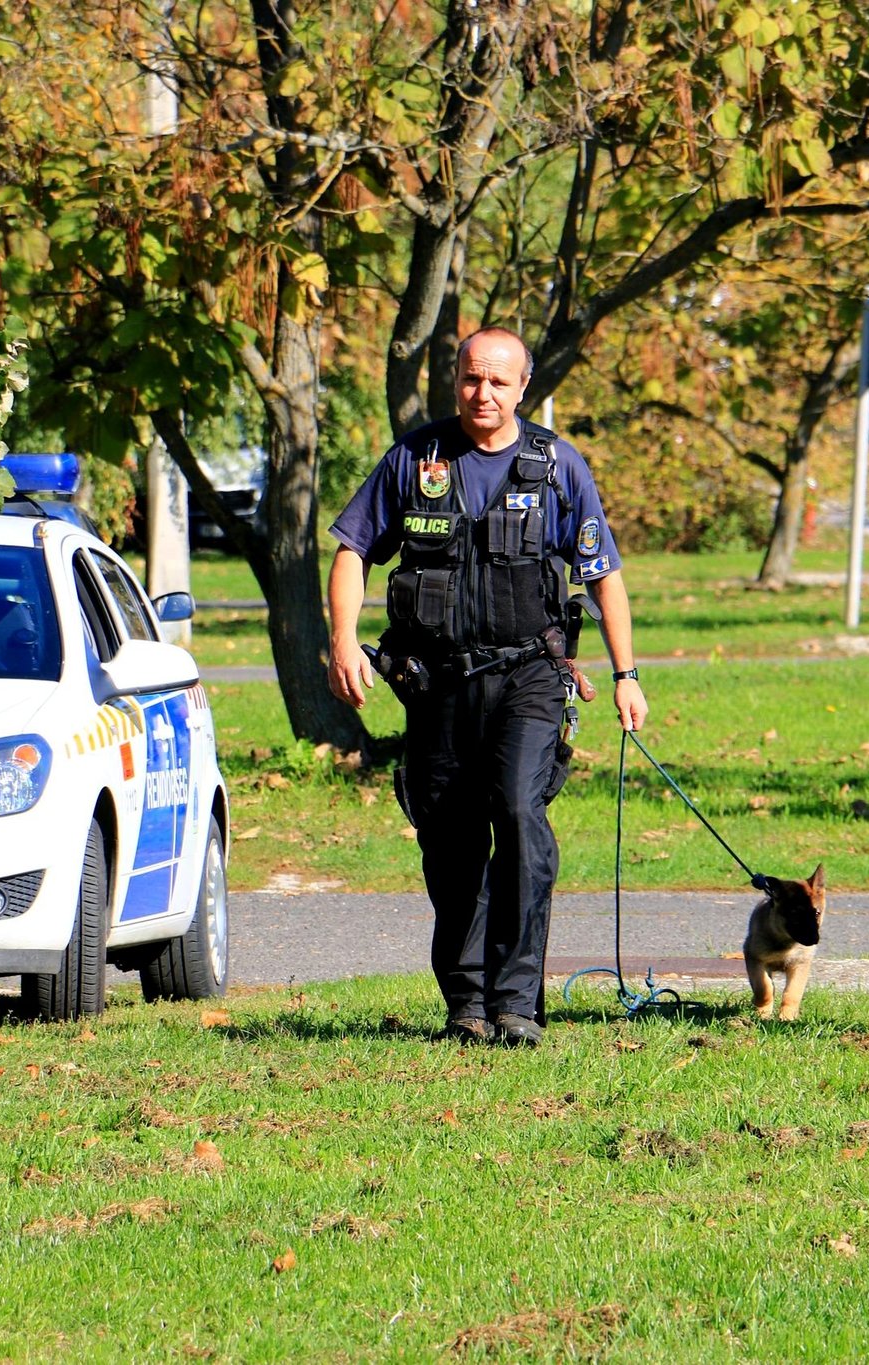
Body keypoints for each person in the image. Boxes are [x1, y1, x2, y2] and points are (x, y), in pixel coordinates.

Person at [326, 326, 649, 1048]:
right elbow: (352, 550)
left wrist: (627, 674)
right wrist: (343, 639)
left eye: (499, 381)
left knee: (518, 810)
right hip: (436, 682)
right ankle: (467, 1004)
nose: (484, 393)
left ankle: (517, 1002)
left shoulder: (557, 467)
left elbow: (604, 575)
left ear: (523, 388)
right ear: (457, 381)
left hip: (529, 675)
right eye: (473, 379)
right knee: (450, 842)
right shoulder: (415, 460)